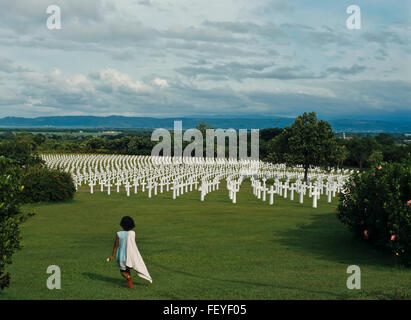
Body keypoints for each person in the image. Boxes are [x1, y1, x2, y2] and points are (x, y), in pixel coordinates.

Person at [108, 216, 152, 288]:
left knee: (123, 272)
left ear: (122, 224)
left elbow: (116, 245)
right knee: (127, 269)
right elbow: (133, 244)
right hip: (130, 256)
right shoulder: (133, 233)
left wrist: (112, 255)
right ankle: (130, 286)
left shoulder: (118, 234)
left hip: (121, 256)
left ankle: (128, 279)